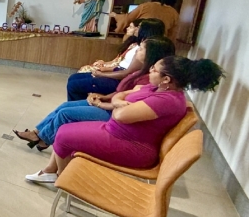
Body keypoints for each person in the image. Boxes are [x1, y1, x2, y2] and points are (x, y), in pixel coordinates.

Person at [25, 55, 224, 184]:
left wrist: (119, 105)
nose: (150, 71)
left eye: (154, 70)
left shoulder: (168, 100)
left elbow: (121, 115)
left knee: (64, 135)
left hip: (132, 145)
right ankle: (51, 171)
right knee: (66, 126)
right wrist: (119, 102)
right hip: (117, 131)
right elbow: (126, 94)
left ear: (167, 79)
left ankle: (64, 180)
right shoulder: (157, 88)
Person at [14, 36, 176, 150]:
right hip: (108, 104)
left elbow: (124, 104)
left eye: (141, 49)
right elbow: (121, 92)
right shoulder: (141, 72)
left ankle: (43, 139)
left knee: (65, 113)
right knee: (64, 106)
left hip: (111, 114)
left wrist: (100, 103)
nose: (136, 51)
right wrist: (103, 97)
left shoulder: (147, 79)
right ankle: (37, 133)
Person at [66, 18, 166, 101]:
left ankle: (79, 109)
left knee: (73, 85)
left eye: (139, 27)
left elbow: (126, 73)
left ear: (147, 30)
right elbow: (120, 63)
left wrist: (101, 74)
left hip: (118, 80)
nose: (136, 29)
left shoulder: (145, 50)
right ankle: (80, 104)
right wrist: (105, 68)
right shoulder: (137, 44)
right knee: (73, 78)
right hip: (116, 72)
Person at [78, 20, 143, 73]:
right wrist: (104, 62)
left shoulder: (139, 47)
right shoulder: (132, 43)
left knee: (84, 70)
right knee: (85, 68)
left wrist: (105, 67)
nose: (127, 28)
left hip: (116, 69)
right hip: (114, 66)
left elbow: (121, 65)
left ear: (138, 29)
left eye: (131, 27)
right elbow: (116, 60)